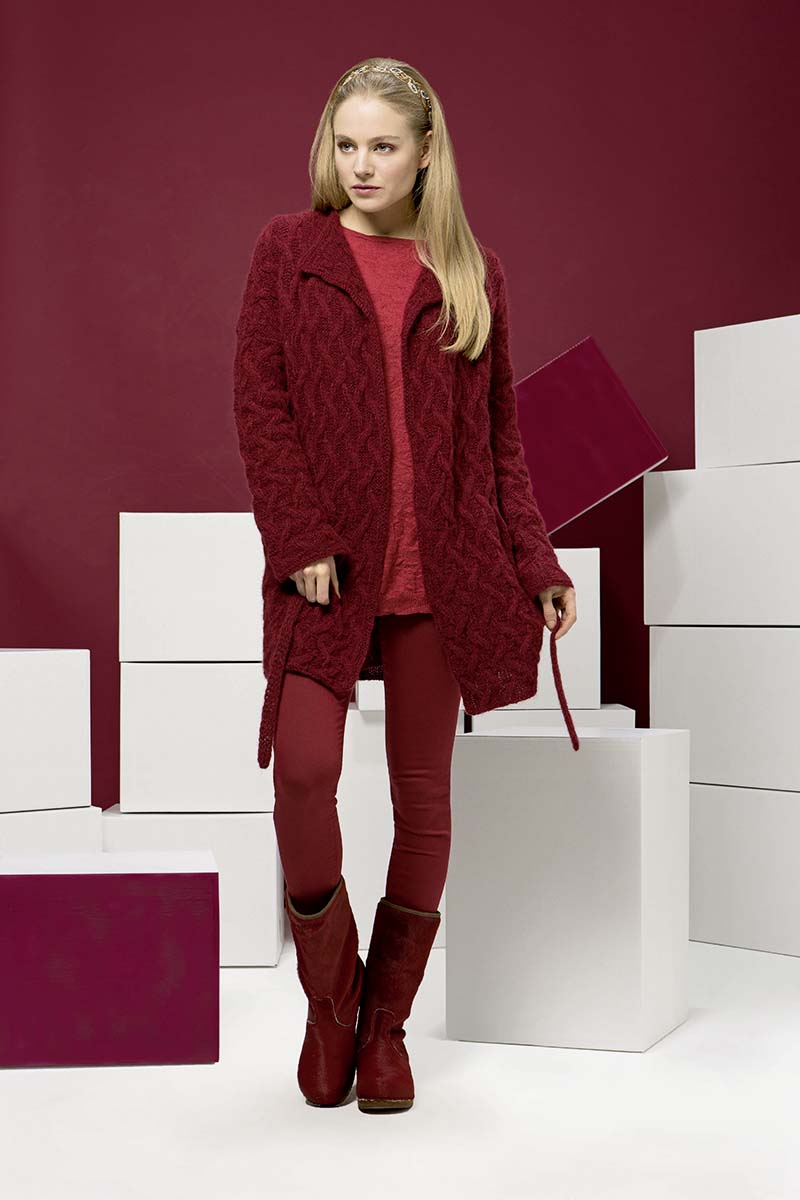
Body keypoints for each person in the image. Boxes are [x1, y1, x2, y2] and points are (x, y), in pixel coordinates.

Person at [232, 56, 579, 1114]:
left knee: (422, 802)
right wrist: (297, 535)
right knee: (304, 773)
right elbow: (260, 406)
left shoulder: (470, 270)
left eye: (383, 145)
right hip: (326, 572)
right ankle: (329, 1004)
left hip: (443, 572)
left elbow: (500, 442)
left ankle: (385, 1028)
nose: (362, 164)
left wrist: (535, 561)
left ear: (426, 151)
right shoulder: (288, 252)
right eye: (346, 144)